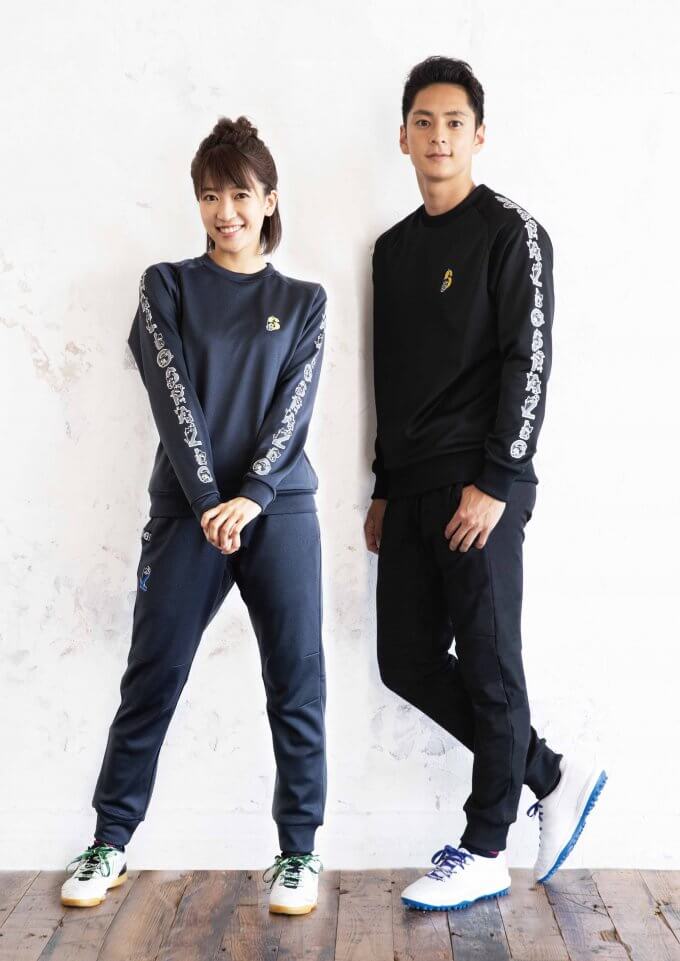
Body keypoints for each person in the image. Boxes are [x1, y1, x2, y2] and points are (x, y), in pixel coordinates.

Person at [61, 116, 327, 916]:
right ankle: (110, 840)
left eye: (239, 194)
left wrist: (253, 495)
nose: (224, 211)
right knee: (153, 675)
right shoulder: (165, 287)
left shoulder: (304, 301)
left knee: (296, 681)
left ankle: (299, 852)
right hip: (188, 513)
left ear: (269, 198)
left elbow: (295, 407)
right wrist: (212, 501)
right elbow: (172, 395)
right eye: (209, 196)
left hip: (280, 512)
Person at [363, 56, 607, 912]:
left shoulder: (512, 233)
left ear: (479, 135)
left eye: (454, 122)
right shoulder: (393, 251)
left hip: (482, 482)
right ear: (403, 136)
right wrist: (384, 486)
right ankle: (551, 773)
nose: (439, 136)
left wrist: (498, 480)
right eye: (423, 122)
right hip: (412, 487)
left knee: (491, 661)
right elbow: (391, 377)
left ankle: (485, 846)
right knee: (405, 660)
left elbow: (528, 360)